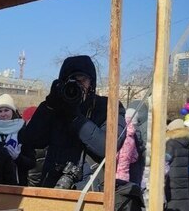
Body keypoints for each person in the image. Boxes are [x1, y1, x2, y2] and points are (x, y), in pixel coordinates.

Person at [20, 55, 125, 189]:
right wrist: (48, 106)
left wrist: (76, 118)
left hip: (91, 189)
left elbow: (108, 147)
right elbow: (31, 140)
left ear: (91, 83)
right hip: (53, 185)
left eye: (83, 80)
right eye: (73, 80)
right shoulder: (55, 106)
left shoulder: (107, 107)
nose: (78, 85)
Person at [0, 94, 35, 186]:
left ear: (13, 111)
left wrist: (18, 157)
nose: (3, 114)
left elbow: (32, 163)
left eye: (6, 110)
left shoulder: (22, 131)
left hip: (17, 185)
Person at [164, 118, 189, 211]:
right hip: (184, 174)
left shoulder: (171, 143)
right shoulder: (186, 142)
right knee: (183, 197)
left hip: (173, 173)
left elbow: (167, 158)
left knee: (173, 197)